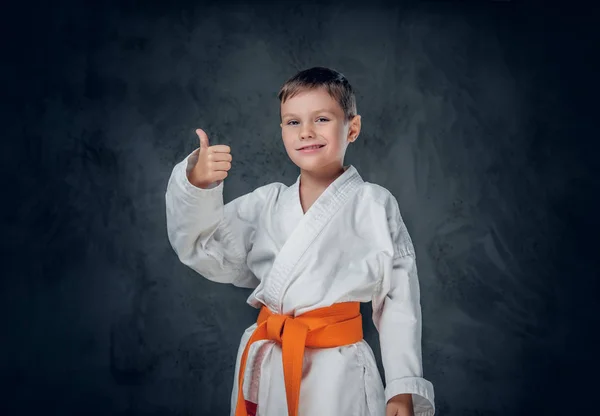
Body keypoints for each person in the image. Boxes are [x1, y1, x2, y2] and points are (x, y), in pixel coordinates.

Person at [165, 67, 435, 416]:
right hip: (270, 364)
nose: (306, 132)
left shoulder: (374, 204)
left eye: (321, 119)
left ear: (352, 128)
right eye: (293, 122)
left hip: (339, 373)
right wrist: (197, 185)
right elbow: (201, 248)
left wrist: (401, 388)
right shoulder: (267, 203)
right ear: (281, 131)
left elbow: (399, 302)